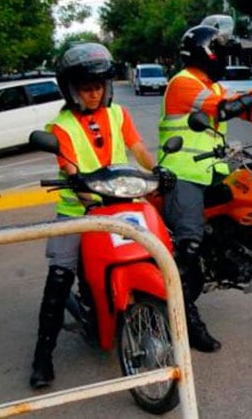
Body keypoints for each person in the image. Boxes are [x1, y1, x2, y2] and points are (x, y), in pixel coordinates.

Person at [30, 43, 157, 389]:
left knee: (160, 252)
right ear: (72, 90)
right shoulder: (61, 126)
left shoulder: (118, 115)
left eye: (99, 86)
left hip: (121, 203)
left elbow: (139, 149)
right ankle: (43, 355)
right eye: (86, 88)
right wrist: (75, 180)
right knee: (59, 277)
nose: (93, 93)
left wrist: (157, 169)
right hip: (79, 210)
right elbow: (69, 166)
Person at [158, 20, 252, 353]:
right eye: (218, 52)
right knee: (189, 246)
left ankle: (237, 253)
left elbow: (245, 110)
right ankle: (185, 316)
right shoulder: (181, 84)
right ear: (205, 54)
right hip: (182, 173)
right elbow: (226, 109)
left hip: (214, 169)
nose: (223, 59)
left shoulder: (210, 86)